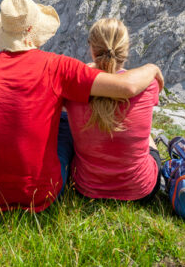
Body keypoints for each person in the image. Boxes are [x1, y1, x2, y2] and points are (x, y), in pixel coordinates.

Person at [0, 0, 163, 212]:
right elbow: (125, 86)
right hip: (45, 193)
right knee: (64, 119)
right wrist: (152, 69)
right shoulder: (58, 67)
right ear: (33, 30)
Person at [65, 18, 161, 202]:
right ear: (125, 51)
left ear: (92, 50)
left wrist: (91, 68)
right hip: (141, 190)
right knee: (147, 134)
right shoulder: (149, 86)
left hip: (86, 188)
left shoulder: (74, 86)